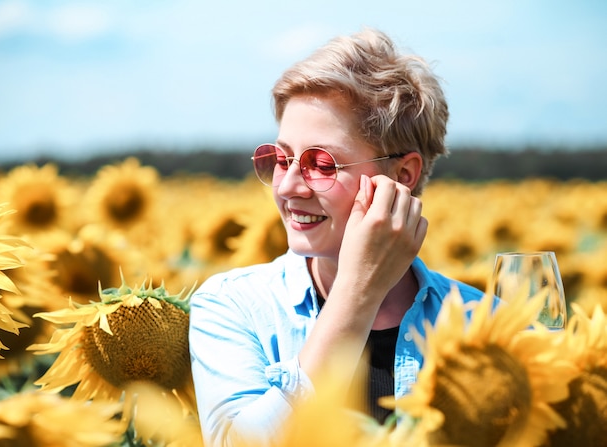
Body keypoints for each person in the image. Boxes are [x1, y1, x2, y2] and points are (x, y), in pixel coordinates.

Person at [189, 27, 485, 447]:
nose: (289, 186)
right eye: (281, 158)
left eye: (322, 164)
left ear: (402, 176)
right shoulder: (235, 307)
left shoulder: (484, 325)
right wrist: (357, 293)